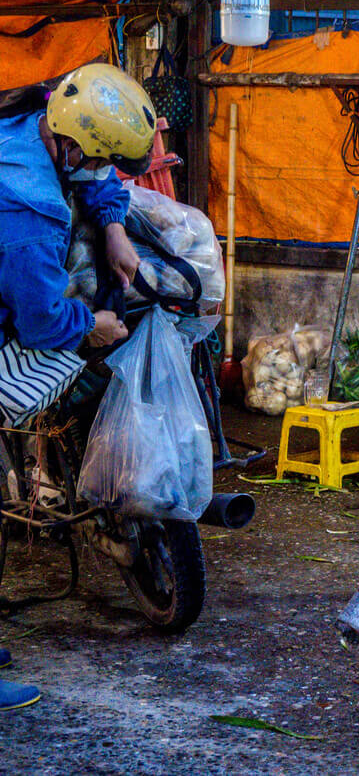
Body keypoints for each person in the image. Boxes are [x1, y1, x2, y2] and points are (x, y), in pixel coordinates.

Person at [0, 62, 156, 709]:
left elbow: (98, 177)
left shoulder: (34, 111)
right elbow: (41, 320)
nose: (99, 171)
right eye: (93, 160)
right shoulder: (26, 212)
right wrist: (88, 326)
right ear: (67, 143)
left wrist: (114, 224)